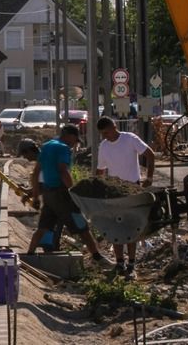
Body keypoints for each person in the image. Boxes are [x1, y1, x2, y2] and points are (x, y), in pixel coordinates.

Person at [24, 125, 111, 268]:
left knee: (43, 227)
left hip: (48, 194)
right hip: (62, 194)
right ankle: (97, 257)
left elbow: (36, 172)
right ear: (69, 135)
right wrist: (74, 191)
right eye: (75, 140)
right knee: (82, 227)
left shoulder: (46, 146)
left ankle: (29, 256)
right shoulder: (63, 148)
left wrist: (35, 197)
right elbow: (63, 171)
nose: (74, 143)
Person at [95, 116, 155, 277]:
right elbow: (100, 170)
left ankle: (131, 264)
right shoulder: (104, 146)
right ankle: (120, 262)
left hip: (132, 188)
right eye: (102, 134)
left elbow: (150, 154)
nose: (105, 136)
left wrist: (148, 178)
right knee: (115, 228)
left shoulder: (129, 139)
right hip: (114, 191)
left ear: (114, 127)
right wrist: (99, 189)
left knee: (131, 228)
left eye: (107, 132)